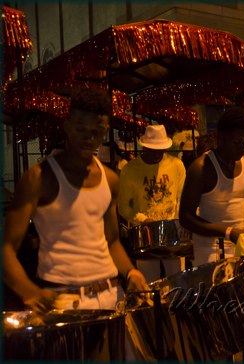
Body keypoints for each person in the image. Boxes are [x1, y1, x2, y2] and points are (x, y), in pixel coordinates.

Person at [3, 87, 147, 314]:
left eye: (97, 131)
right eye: (81, 129)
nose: (89, 138)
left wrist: (131, 272)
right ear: (67, 125)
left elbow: (111, 242)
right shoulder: (39, 178)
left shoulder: (110, 179)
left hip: (112, 294)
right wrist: (29, 291)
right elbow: (6, 249)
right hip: (64, 301)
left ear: (106, 130)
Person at [179, 106, 244, 361]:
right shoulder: (201, 168)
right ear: (220, 138)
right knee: (220, 334)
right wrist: (228, 232)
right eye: (238, 141)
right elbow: (185, 217)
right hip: (211, 254)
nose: (243, 147)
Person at [118, 124, 186, 282]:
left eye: (160, 149)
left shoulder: (176, 166)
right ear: (144, 147)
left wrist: (176, 223)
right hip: (145, 233)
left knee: (176, 281)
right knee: (149, 283)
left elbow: (181, 198)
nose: (157, 153)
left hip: (172, 233)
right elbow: (123, 206)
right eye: (152, 149)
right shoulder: (130, 170)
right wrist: (142, 219)